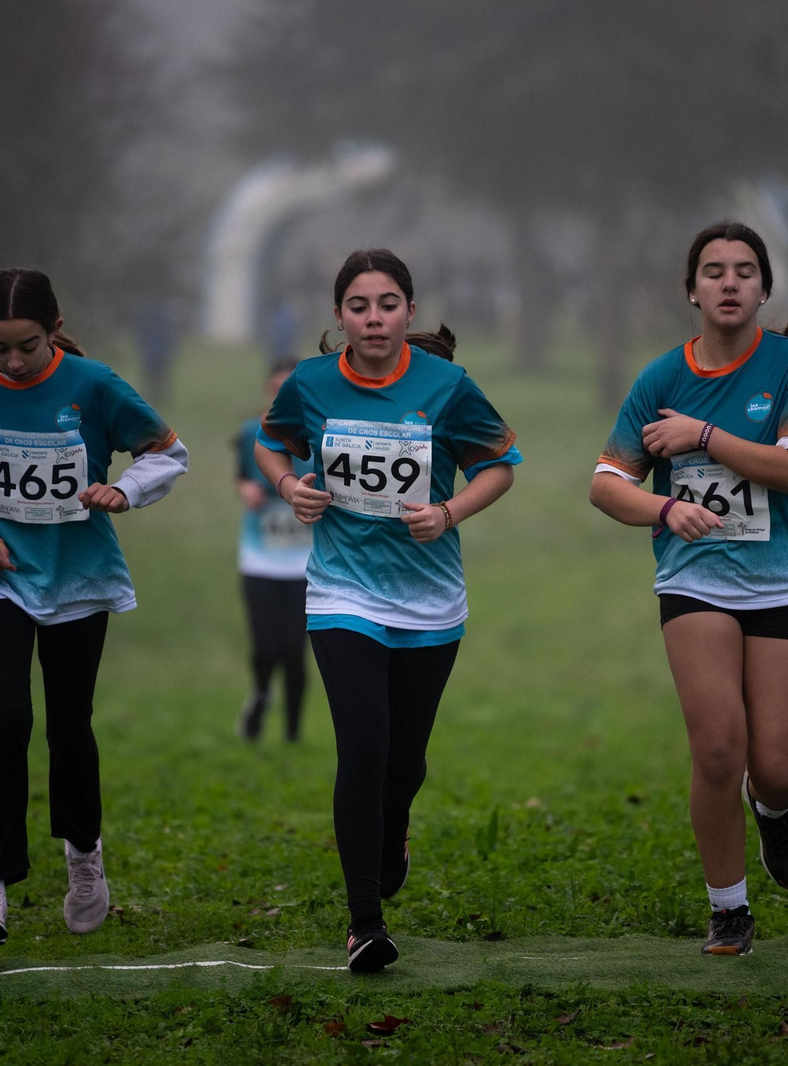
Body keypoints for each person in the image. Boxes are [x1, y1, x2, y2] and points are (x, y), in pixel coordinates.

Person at [255, 249, 521, 973]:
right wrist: (289, 488)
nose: (374, 318)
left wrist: (449, 511)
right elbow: (270, 441)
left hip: (431, 598)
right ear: (338, 317)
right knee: (364, 747)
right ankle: (364, 924)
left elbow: (500, 465)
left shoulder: (449, 386)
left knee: (402, 761)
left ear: (409, 309)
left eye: (388, 304)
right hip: (344, 591)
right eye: (359, 306)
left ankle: (396, 821)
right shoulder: (310, 384)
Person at [589, 221, 788, 957]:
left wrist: (703, 437)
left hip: (786, 583)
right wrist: (667, 507)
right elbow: (606, 485)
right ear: (692, 290)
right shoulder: (659, 380)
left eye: (744, 271)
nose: (729, 282)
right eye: (714, 271)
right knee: (716, 750)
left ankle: (774, 808)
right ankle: (728, 909)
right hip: (695, 580)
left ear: (764, 288)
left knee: (778, 768)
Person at [0, 268, 189, 945]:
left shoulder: (94, 385)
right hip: (0, 576)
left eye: (27, 346)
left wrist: (122, 491)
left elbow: (167, 452)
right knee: (7, 717)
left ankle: (84, 853)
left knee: (70, 728)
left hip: (78, 579)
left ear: (54, 327)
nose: (11, 361)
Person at [234, 356, 314, 742]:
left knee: (295, 651)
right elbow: (242, 477)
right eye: (276, 389)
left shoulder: (320, 435)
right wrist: (247, 490)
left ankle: (293, 732)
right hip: (259, 558)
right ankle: (261, 696)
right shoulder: (252, 431)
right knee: (266, 648)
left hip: (308, 563)